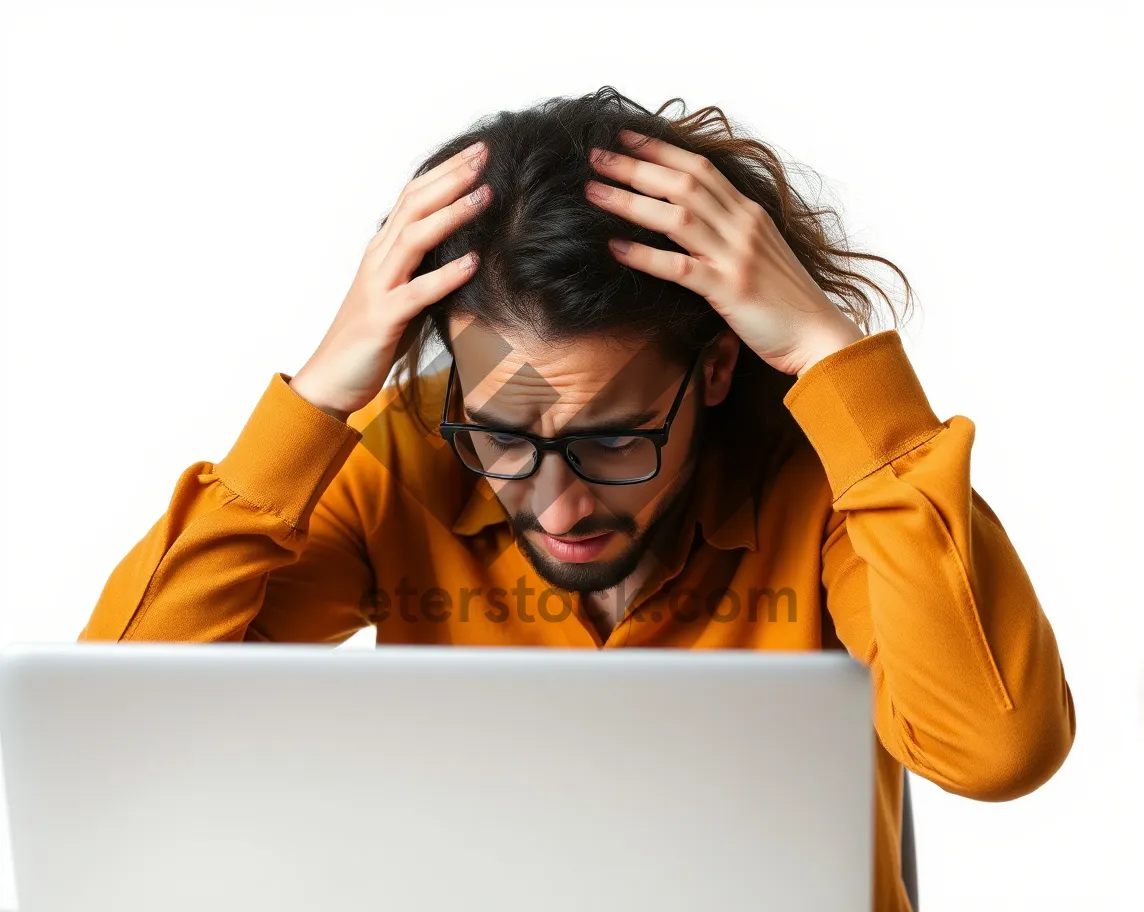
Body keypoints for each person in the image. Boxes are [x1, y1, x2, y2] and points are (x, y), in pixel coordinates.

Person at [79, 86, 1075, 911]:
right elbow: (114, 734)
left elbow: (994, 750)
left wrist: (830, 357)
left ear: (717, 370)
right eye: (504, 437)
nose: (557, 507)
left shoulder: (826, 480)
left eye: (611, 439)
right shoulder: (406, 457)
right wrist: (322, 395)